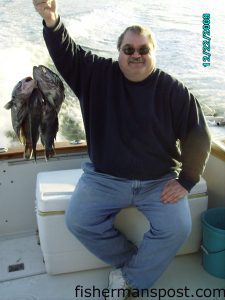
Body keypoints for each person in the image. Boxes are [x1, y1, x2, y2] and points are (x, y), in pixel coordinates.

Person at [33, 1, 211, 299]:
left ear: (153, 52)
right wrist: (52, 20)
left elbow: (198, 134)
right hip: (104, 177)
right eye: (128, 49)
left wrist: (187, 181)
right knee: (77, 220)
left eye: (143, 49)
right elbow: (67, 54)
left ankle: (130, 280)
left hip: (158, 180)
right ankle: (134, 267)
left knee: (177, 227)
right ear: (119, 53)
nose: (136, 55)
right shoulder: (96, 75)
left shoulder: (173, 90)